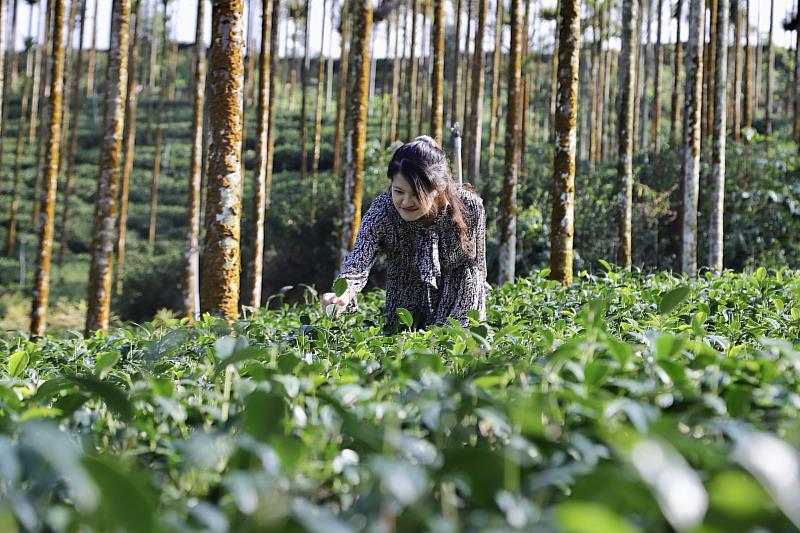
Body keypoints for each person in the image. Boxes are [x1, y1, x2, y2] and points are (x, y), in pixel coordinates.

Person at [321, 135, 488, 332]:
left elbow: (477, 262)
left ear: (439, 187)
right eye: (399, 191)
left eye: (417, 194)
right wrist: (342, 294)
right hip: (405, 297)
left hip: (460, 295)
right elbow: (357, 262)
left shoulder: (470, 207)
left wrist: (481, 297)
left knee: (452, 352)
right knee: (403, 355)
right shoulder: (382, 212)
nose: (406, 202)